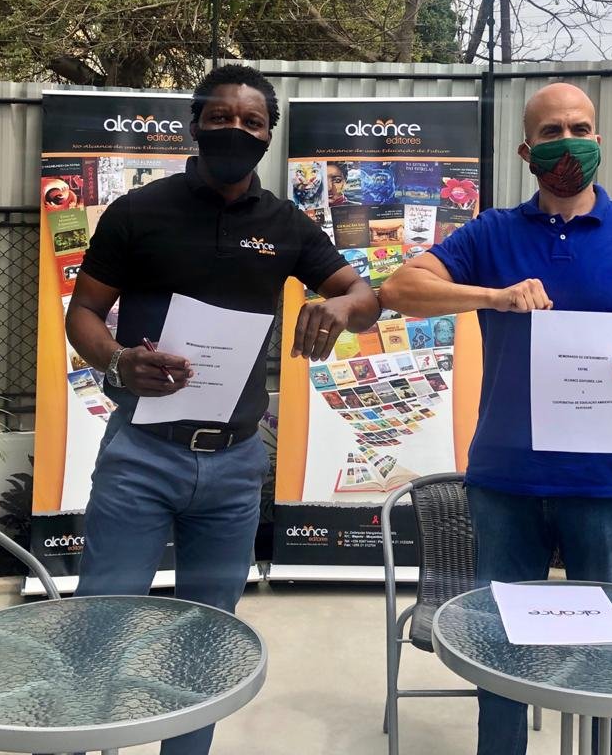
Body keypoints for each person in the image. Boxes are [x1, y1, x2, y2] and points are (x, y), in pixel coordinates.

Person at [379, 82, 612, 755]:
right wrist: (494, 296)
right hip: (507, 480)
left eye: (579, 128)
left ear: (598, 140)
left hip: (607, 480)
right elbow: (402, 288)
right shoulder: (492, 233)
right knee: (502, 647)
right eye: (551, 132)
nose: (567, 142)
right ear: (527, 151)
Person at [66, 64, 380, 755]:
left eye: (252, 121)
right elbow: (82, 312)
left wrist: (339, 306)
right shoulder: (138, 213)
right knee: (99, 624)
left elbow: (364, 296)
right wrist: (117, 360)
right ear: (196, 124)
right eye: (221, 117)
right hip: (141, 455)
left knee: (208, 640)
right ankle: (78, 741)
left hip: (235, 465)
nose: (236, 129)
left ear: (268, 135)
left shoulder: (286, 224)